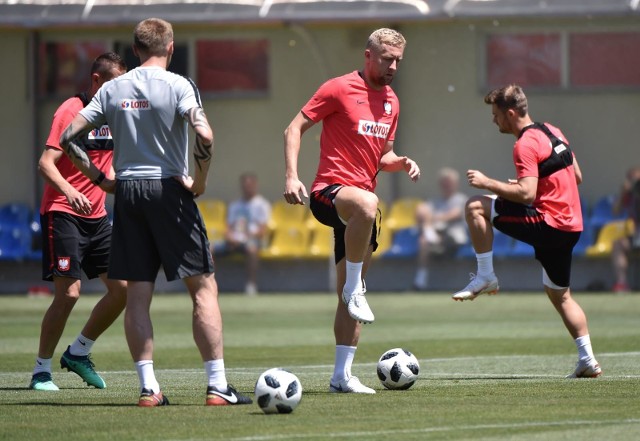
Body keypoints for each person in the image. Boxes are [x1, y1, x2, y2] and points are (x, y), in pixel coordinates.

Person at [59, 18, 252, 407]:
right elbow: (206, 134)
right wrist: (199, 182)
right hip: (169, 190)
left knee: (137, 296)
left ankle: (149, 390)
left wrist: (100, 179)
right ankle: (217, 386)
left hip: (128, 193)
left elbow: (68, 138)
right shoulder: (179, 85)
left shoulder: (112, 89)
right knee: (203, 288)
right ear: (171, 48)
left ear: (134, 50)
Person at [283, 28, 420, 394]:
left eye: (398, 61)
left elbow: (382, 156)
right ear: (368, 55)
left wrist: (400, 162)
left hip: (361, 212)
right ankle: (354, 288)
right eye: (386, 59)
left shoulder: (392, 101)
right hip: (330, 193)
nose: (392, 67)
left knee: (351, 292)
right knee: (367, 206)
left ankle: (341, 377)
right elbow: (293, 128)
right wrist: (291, 175)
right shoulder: (338, 88)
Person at [453, 84, 601, 378]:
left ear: (510, 114)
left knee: (475, 206)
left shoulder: (524, 144)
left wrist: (487, 182)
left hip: (550, 222)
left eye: (496, 115)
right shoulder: (553, 130)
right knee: (560, 295)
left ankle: (485, 276)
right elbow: (578, 177)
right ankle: (588, 360)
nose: (494, 120)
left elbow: (526, 194)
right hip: (572, 226)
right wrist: (531, 184)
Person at [29, 53, 128, 391]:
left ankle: (78, 352)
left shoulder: (113, 115)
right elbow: (46, 163)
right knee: (69, 293)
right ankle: (41, 370)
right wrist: (70, 191)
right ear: (98, 81)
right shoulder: (71, 110)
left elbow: (107, 166)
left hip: (98, 218)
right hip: (63, 212)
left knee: (123, 289)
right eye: (115, 84)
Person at [213, 173, 271, 295]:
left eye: (250, 185)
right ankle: (210, 285)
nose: (247, 187)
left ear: (255, 185)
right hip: (233, 241)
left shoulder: (262, 205)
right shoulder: (235, 205)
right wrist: (229, 237)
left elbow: (262, 230)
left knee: (252, 248)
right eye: (245, 185)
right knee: (209, 249)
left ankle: (251, 284)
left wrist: (245, 238)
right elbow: (228, 227)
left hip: (252, 240)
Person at [413, 167, 468, 290]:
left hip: (454, 238)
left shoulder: (461, 199)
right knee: (423, 240)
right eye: (443, 183)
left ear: (455, 184)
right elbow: (422, 211)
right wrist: (425, 214)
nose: (446, 186)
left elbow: (454, 214)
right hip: (437, 235)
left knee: (432, 232)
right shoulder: (435, 201)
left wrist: (433, 219)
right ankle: (421, 278)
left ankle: (430, 233)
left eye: (448, 183)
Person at [611, 166, 640, 292]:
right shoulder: (629, 195)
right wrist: (623, 193)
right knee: (618, 244)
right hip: (636, 236)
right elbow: (615, 211)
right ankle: (622, 283)